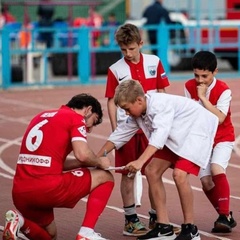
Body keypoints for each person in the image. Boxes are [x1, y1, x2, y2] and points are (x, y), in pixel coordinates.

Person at [98, 79, 219, 240]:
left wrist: (140, 161)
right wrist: (98, 158)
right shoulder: (138, 112)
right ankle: (164, 228)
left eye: (127, 108)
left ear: (139, 100)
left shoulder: (160, 106)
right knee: (151, 171)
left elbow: (159, 138)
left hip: (196, 131)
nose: (126, 113)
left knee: (179, 175)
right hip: (177, 134)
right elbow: (119, 134)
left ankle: (191, 229)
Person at [2, 93, 114, 240]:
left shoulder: (41, 116)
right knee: (106, 177)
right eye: (94, 121)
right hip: (47, 188)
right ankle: (86, 233)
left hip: (20, 191)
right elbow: (83, 154)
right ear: (88, 110)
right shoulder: (75, 118)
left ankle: (18, 220)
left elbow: (53, 161)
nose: (90, 129)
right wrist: (100, 161)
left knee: (50, 236)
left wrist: (81, 163)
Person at [102, 23, 170, 237]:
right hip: (127, 129)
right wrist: (116, 129)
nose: (128, 54)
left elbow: (162, 91)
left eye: (131, 48)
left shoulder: (155, 62)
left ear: (141, 43)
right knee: (128, 174)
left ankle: (155, 217)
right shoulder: (115, 69)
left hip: (151, 128)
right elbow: (111, 101)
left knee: (154, 173)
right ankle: (130, 219)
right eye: (123, 50)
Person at [184, 51, 237, 233]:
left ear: (215, 72)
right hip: (202, 139)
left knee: (216, 168)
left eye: (205, 76)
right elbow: (189, 114)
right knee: (206, 182)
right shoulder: (188, 86)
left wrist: (203, 98)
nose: (200, 80)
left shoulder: (224, 90)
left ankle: (223, 216)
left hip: (223, 137)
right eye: (196, 75)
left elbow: (220, 118)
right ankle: (226, 216)